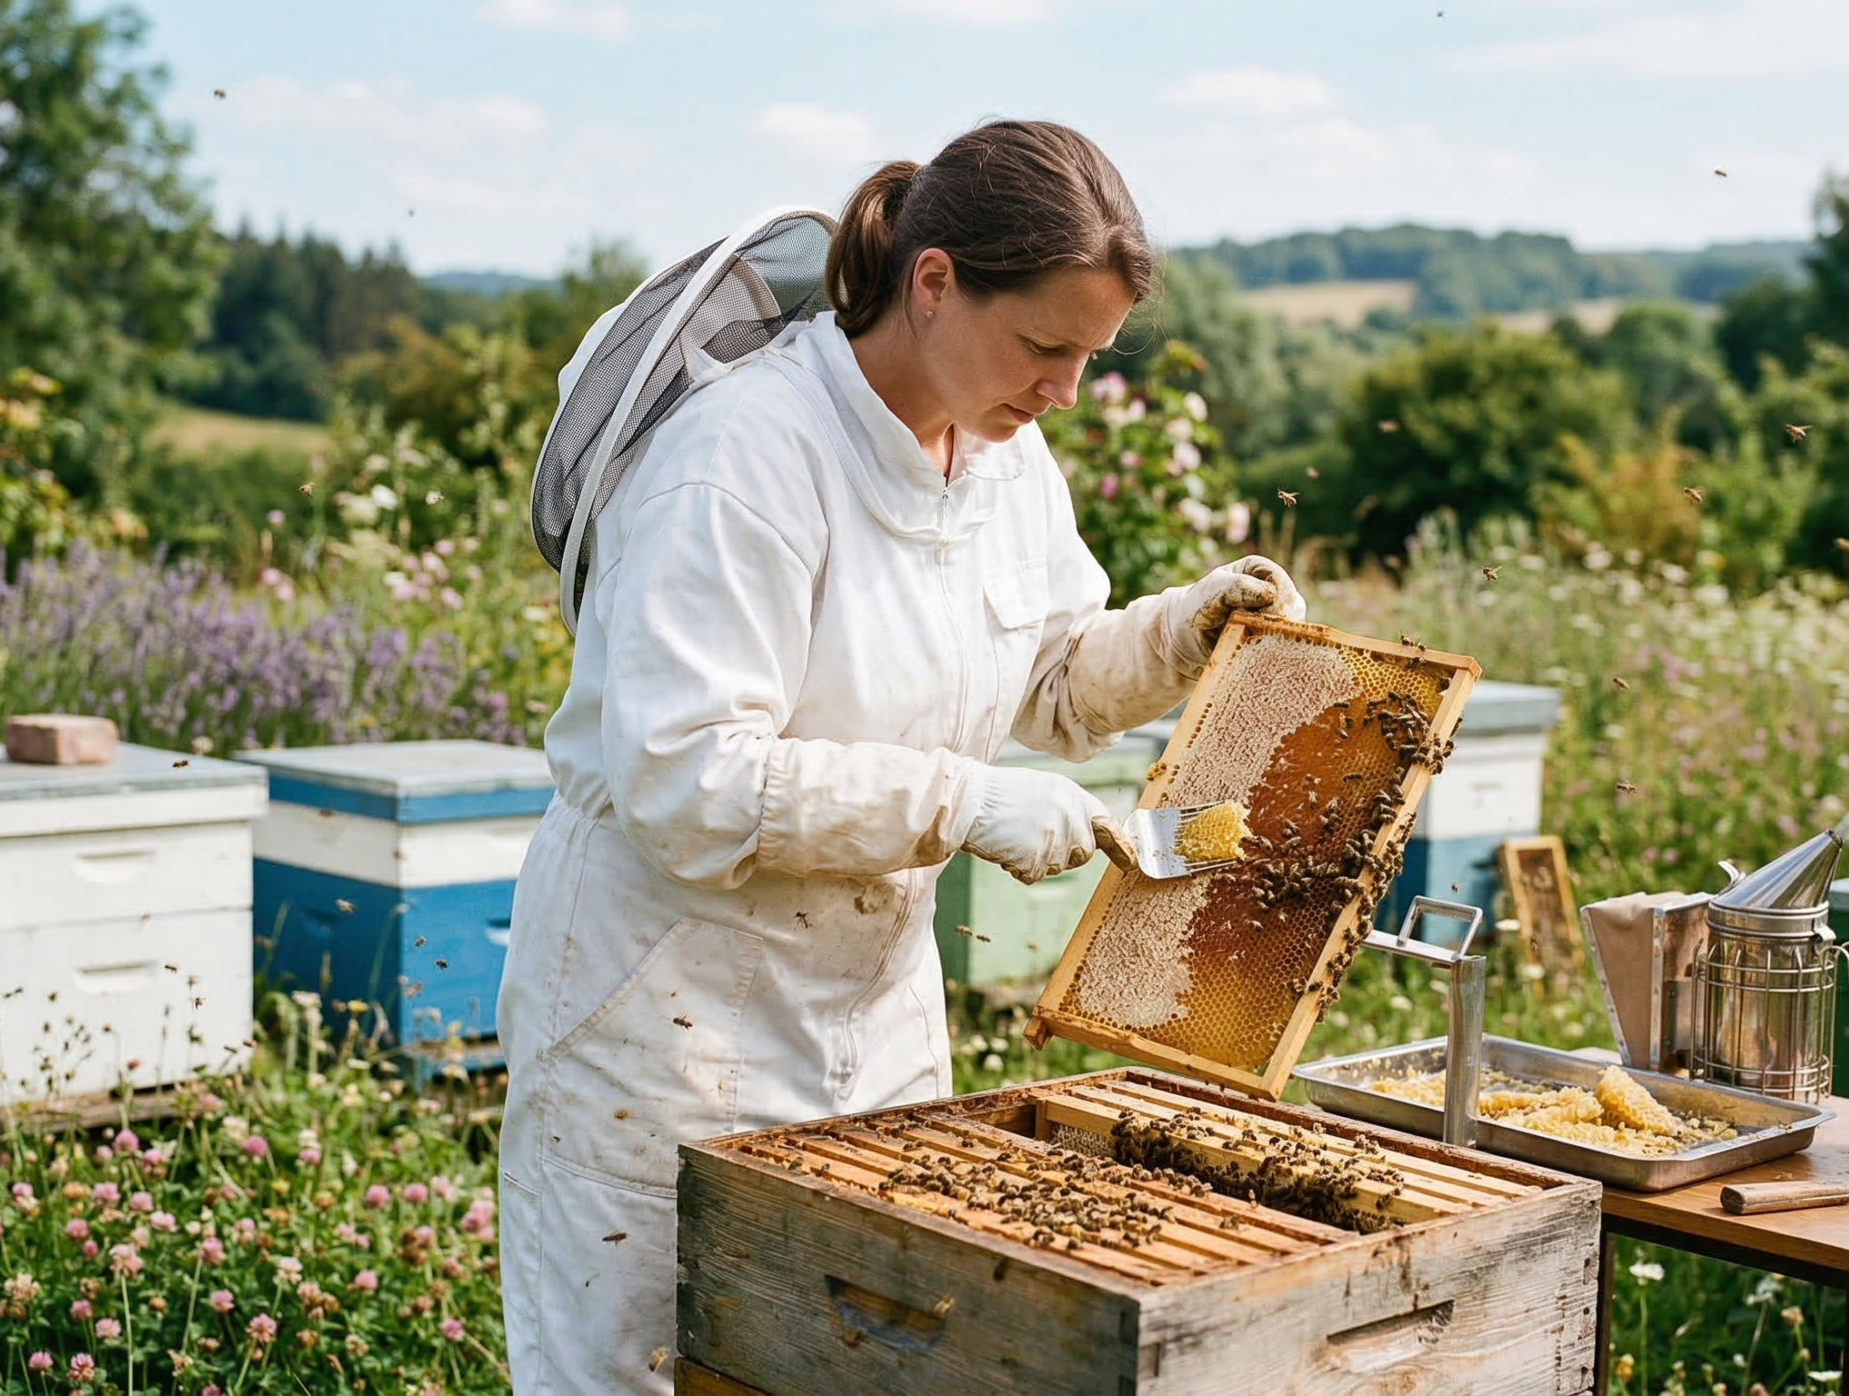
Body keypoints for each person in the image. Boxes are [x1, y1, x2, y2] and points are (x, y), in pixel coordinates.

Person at [495, 118, 1305, 1394]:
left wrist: (1175, 633)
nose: (1064, 392)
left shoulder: (1004, 459)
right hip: (663, 1025)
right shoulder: (741, 460)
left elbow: (1043, 678)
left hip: (873, 1020)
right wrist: (961, 803)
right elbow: (687, 783)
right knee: (652, 1372)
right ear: (932, 283)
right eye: (1045, 346)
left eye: (1087, 358)